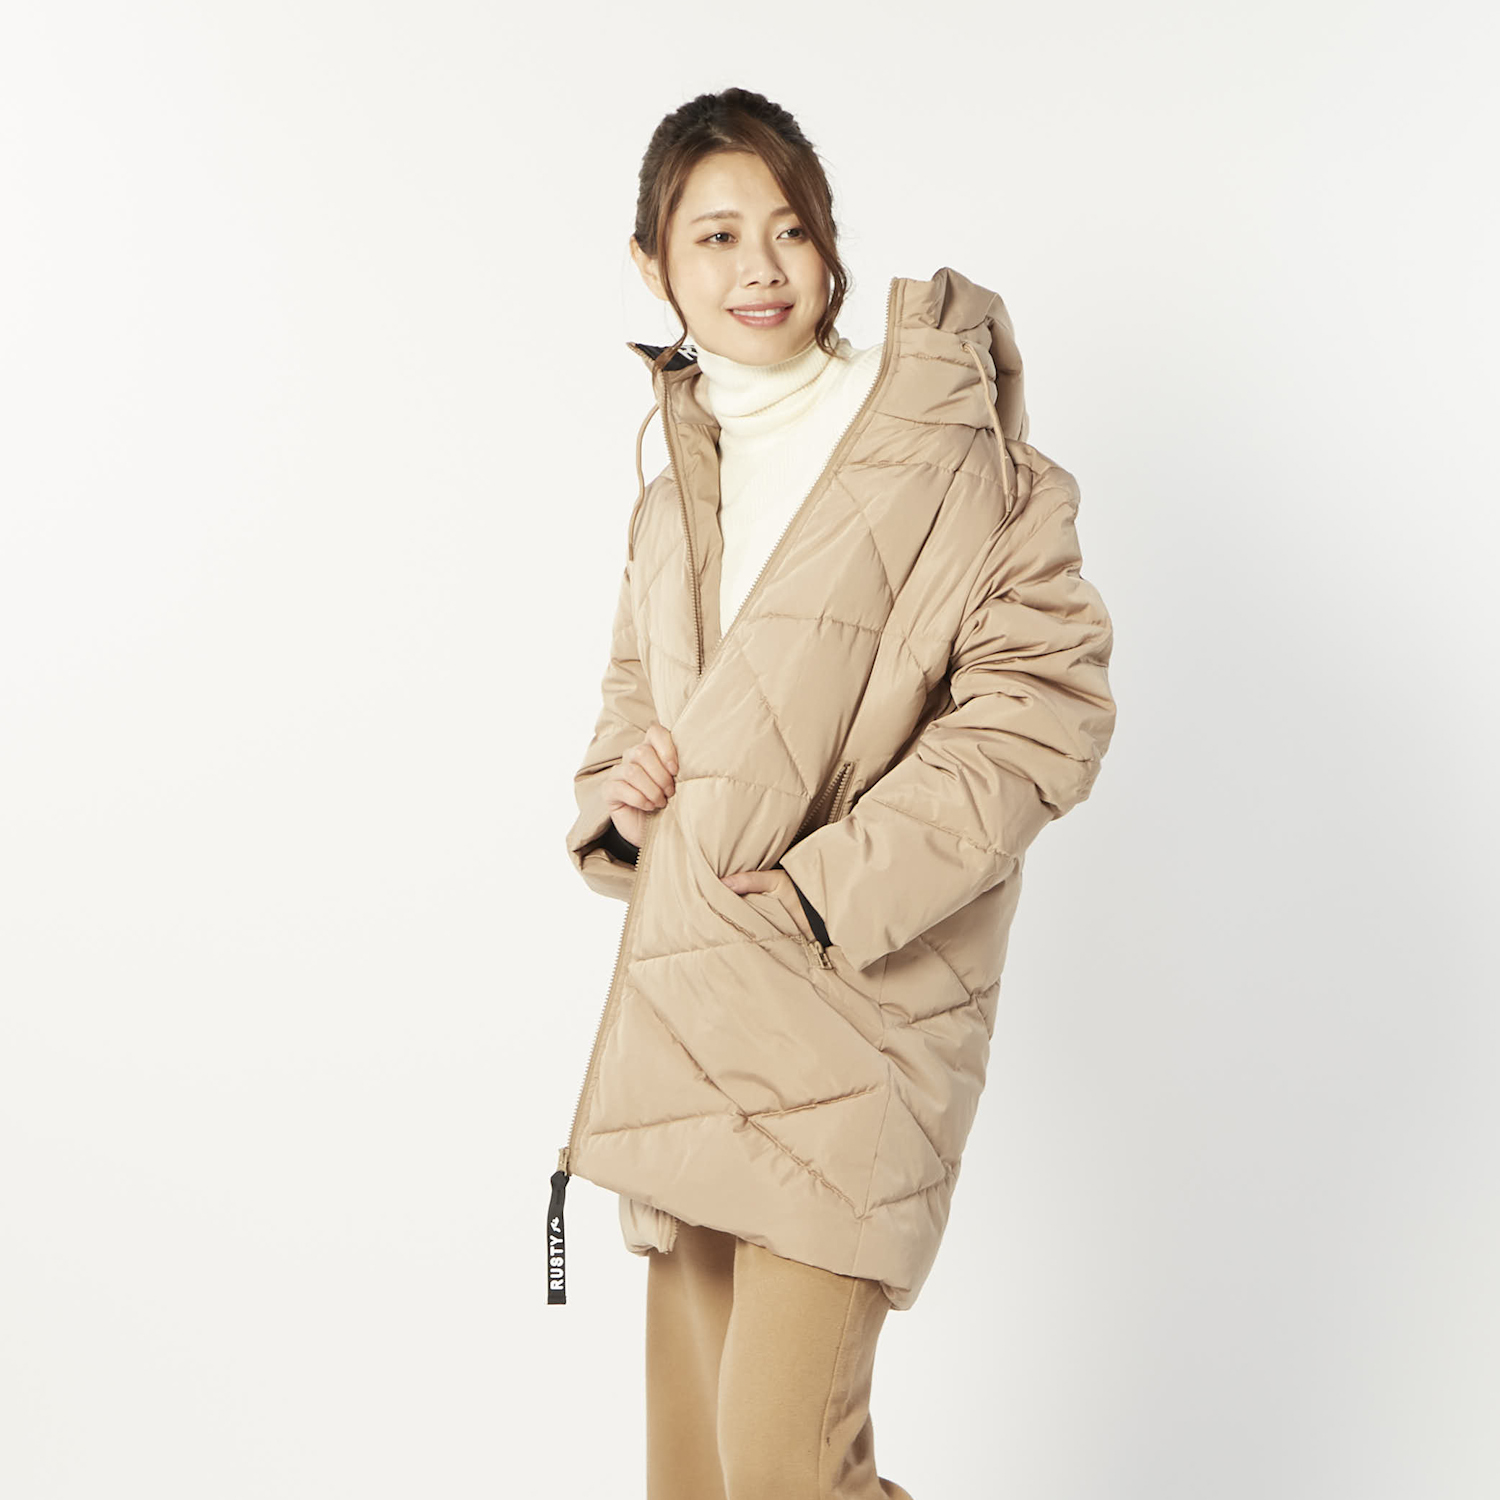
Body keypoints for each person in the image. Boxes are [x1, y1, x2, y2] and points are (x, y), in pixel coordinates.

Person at [550, 86, 1117, 1500]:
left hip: (856, 1007)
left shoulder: (957, 452)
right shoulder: (675, 486)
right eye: (716, 236)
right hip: (690, 1007)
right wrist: (625, 799)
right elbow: (635, 700)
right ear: (653, 265)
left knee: (785, 1471)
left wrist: (825, 892)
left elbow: (1042, 711)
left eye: (790, 228)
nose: (760, 267)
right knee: (696, 1477)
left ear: (829, 243)